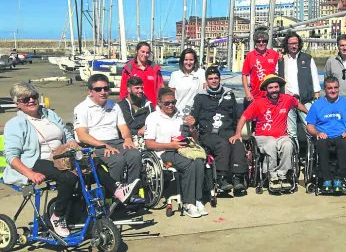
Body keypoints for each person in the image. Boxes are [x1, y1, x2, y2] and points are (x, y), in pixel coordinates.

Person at [3, 83, 138, 237]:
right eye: (26, 99)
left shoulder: (49, 114)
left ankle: (117, 190)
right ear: (17, 104)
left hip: (62, 156)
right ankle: (58, 216)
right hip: (36, 161)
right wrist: (30, 174)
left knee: (92, 162)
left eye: (34, 97)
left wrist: (72, 142)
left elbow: (66, 134)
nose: (32, 101)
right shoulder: (15, 124)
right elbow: (11, 156)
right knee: (68, 177)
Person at [229, 74, 308, 190]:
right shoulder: (258, 103)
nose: (274, 90)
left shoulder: (287, 99)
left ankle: (283, 175)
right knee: (271, 144)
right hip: (263, 137)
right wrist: (237, 134)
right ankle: (272, 175)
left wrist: (311, 118)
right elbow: (243, 117)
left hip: (282, 136)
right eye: (271, 88)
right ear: (266, 89)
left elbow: (299, 105)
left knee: (288, 144)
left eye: (276, 87)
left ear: (279, 87)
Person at [144, 88, 207, 218]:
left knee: (199, 161)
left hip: (182, 149)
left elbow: (194, 138)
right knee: (188, 164)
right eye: (167, 103)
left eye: (173, 102)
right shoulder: (153, 118)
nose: (171, 105)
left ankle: (198, 199)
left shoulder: (180, 115)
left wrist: (192, 127)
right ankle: (188, 203)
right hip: (163, 151)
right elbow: (148, 144)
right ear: (159, 103)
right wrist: (171, 145)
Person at [74, 74, 142, 187]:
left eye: (106, 88)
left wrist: (128, 139)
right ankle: (113, 194)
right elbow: (82, 135)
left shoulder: (114, 106)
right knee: (117, 160)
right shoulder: (82, 108)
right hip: (95, 145)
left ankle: (132, 189)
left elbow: (123, 127)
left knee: (135, 155)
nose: (103, 92)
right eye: (98, 89)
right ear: (90, 92)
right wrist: (103, 145)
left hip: (116, 141)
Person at [190, 66, 248, 194]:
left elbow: (236, 116)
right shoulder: (200, 97)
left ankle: (238, 178)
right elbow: (194, 116)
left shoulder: (229, 94)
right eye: (211, 79)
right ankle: (221, 178)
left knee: (237, 143)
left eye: (216, 78)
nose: (214, 81)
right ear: (207, 81)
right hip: (208, 132)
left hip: (226, 130)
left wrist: (237, 133)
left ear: (220, 79)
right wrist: (192, 121)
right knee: (221, 145)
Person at [306, 76, 346, 192]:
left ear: (339, 88)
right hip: (323, 135)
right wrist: (317, 133)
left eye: (335, 87)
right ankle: (326, 179)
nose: (333, 90)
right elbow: (309, 125)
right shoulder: (317, 105)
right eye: (330, 88)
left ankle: (338, 179)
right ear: (324, 89)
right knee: (321, 143)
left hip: (341, 135)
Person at [277, 32, 321, 143]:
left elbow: (315, 78)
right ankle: (294, 156)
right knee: (291, 132)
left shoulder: (307, 58)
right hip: (288, 100)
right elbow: (276, 77)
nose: (293, 46)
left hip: (305, 100)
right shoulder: (281, 60)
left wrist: (316, 97)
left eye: (296, 43)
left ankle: (311, 155)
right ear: (286, 45)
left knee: (310, 129)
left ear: (299, 44)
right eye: (291, 43)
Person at [241, 30, 280, 108]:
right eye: (258, 41)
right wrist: (247, 92)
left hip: (271, 94)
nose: (261, 43)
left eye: (264, 41)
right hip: (255, 95)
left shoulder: (274, 54)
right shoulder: (250, 56)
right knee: (254, 119)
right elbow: (244, 75)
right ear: (255, 42)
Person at [119, 41, 164, 107]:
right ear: (136, 51)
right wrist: (124, 106)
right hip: (135, 107)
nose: (145, 55)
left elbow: (161, 88)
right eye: (142, 52)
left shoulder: (154, 69)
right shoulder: (128, 69)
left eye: (147, 52)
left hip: (152, 106)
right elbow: (123, 90)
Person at [169, 48, 206, 114]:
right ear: (182, 61)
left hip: (197, 113)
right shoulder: (175, 75)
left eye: (191, 60)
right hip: (179, 113)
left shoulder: (201, 73)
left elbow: (205, 93)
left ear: (195, 61)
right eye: (186, 60)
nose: (188, 63)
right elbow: (170, 96)